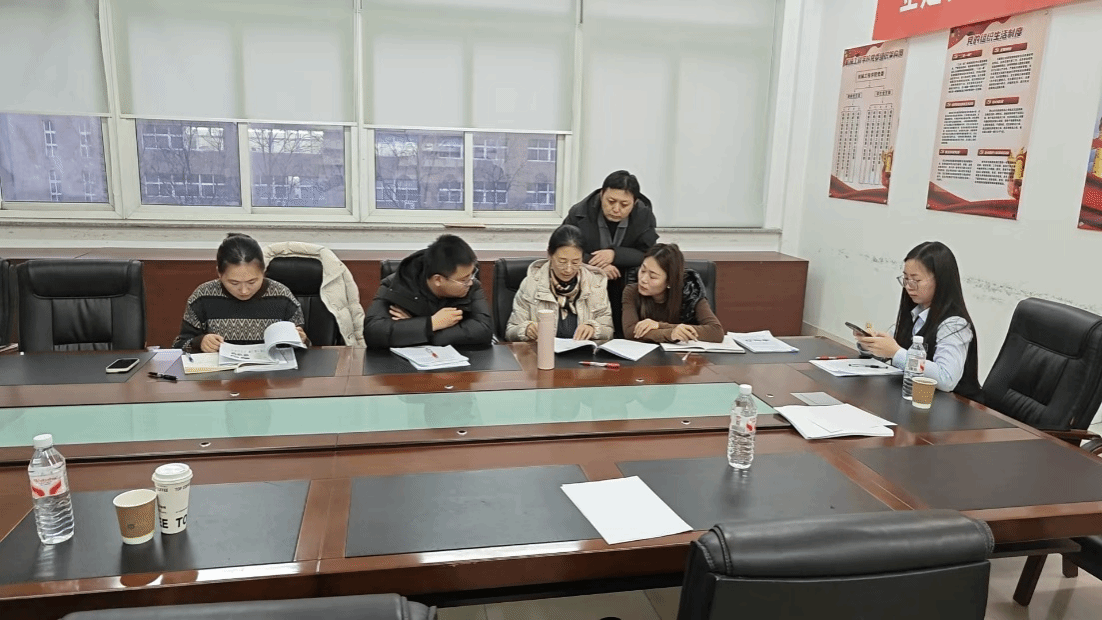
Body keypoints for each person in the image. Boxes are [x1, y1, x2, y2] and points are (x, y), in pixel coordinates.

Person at [854, 241, 981, 399]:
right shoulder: (916, 312)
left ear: (940, 280)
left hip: (954, 405)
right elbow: (891, 349)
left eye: (916, 280)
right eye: (906, 279)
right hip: (915, 397)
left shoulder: (955, 325)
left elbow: (946, 379)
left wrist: (896, 352)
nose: (908, 286)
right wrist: (870, 345)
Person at [173, 233, 309, 353]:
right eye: (234, 283)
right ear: (219, 273)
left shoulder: (282, 296)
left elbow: (305, 348)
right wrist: (200, 342)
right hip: (221, 373)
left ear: (263, 271)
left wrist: (301, 340)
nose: (244, 291)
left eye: (252, 282)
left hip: (271, 372)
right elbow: (179, 345)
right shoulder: (203, 297)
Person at [563, 170, 658, 336]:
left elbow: (648, 254)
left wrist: (615, 255)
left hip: (624, 283)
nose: (616, 209)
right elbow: (563, 247)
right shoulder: (579, 213)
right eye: (611, 201)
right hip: (586, 283)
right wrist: (596, 266)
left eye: (624, 204)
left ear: (635, 202)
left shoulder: (644, 216)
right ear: (602, 194)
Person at [364, 234, 493, 348]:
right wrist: (432, 323)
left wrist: (419, 328)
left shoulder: (472, 286)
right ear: (438, 280)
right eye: (464, 280)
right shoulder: (396, 285)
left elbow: (484, 330)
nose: (470, 282)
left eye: (472, 275)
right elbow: (374, 332)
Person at [505, 225, 613, 342]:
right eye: (562, 261)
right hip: (543, 351)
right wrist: (526, 329)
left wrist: (593, 329)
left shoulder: (595, 284)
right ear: (550, 255)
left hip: (582, 351)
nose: (568, 269)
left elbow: (608, 330)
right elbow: (511, 331)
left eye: (575, 262)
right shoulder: (531, 284)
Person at [622, 243, 723, 343]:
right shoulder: (632, 291)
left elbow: (716, 331)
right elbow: (630, 331)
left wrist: (659, 326)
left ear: (670, 282)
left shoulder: (691, 292)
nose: (643, 279)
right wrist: (670, 333)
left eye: (653, 277)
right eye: (642, 270)